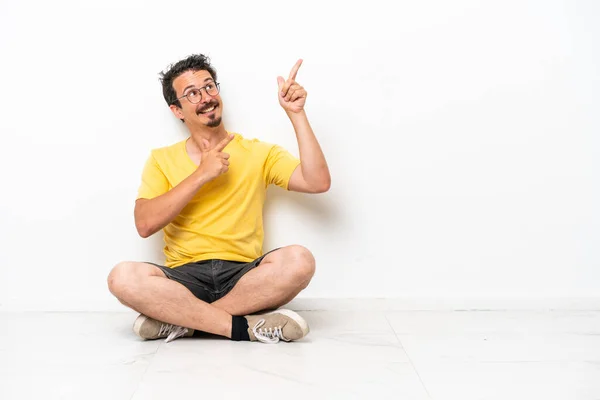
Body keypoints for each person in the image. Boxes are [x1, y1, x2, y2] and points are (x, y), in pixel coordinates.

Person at [107, 54, 330, 344]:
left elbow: (317, 181)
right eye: (192, 93)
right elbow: (145, 224)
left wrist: (296, 114)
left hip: (243, 277)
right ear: (177, 110)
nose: (206, 97)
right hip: (184, 280)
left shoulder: (258, 152)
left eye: (209, 86)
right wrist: (201, 175)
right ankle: (242, 328)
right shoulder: (161, 159)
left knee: (300, 260)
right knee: (121, 277)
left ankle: (183, 321)